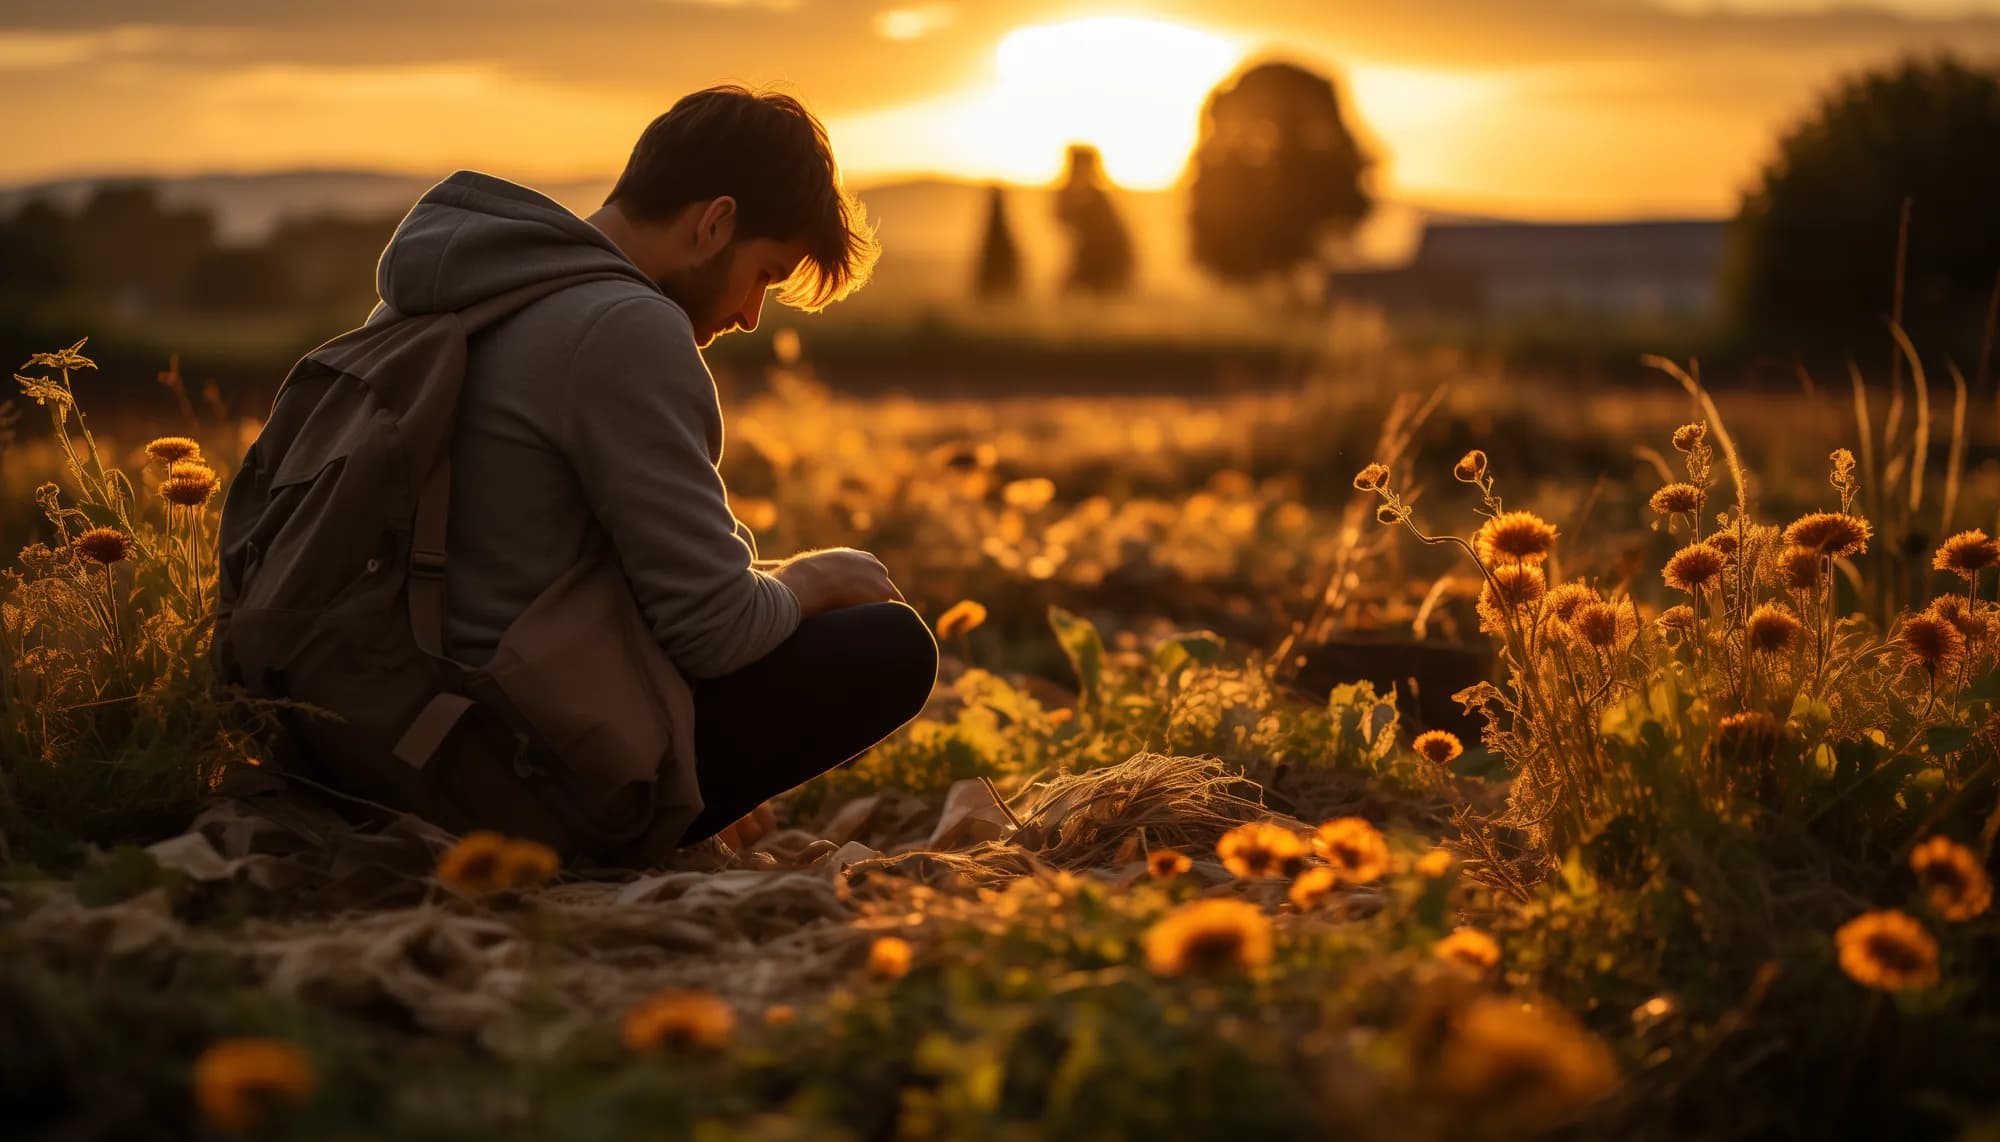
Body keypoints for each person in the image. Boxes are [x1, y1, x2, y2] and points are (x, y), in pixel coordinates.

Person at [367, 85, 937, 856]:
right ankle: (635, 812)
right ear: (716, 223)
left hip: (384, 734)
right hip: (498, 770)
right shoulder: (626, 327)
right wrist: (812, 580)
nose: (750, 315)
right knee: (886, 643)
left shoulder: (466, 294)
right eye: (765, 275)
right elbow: (716, 631)